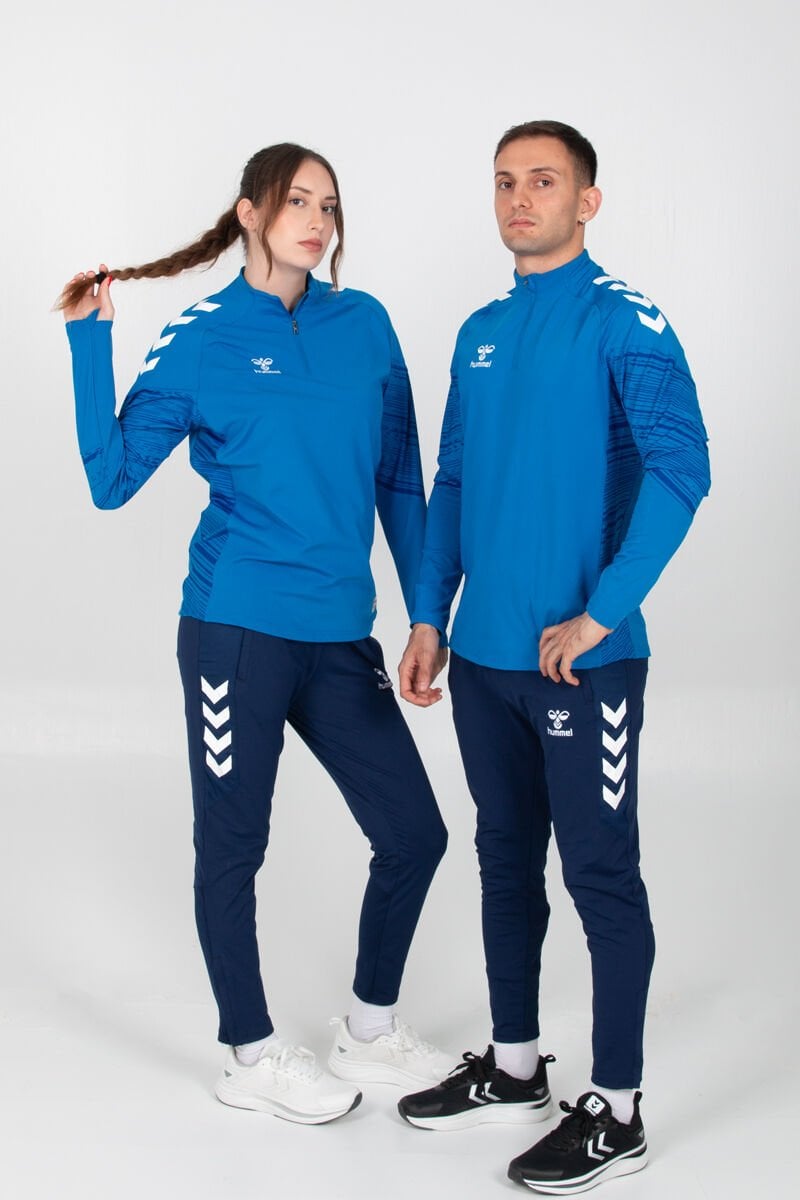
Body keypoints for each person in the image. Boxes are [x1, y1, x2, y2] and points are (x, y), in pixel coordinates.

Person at [59, 142, 453, 1126]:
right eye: (296, 201)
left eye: (329, 205)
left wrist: (423, 615)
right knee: (233, 845)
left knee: (415, 832)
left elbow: (399, 481)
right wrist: (89, 344)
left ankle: (368, 1027)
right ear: (249, 212)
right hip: (235, 630)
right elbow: (112, 479)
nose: (316, 220)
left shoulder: (365, 326)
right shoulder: (203, 337)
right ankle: (249, 1052)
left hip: (341, 637)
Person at [396, 120, 710, 1192]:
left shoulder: (623, 320)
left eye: (542, 181)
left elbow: (682, 470)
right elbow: (451, 482)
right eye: (503, 182)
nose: (518, 199)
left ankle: (617, 1112)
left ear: (587, 200)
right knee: (502, 858)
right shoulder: (480, 331)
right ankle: (516, 1066)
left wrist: (602, 614)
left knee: (599, 874)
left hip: (586, 664)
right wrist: (429, 615)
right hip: (483, 660)